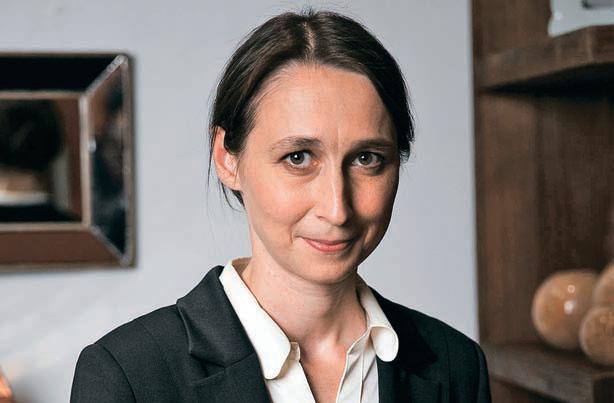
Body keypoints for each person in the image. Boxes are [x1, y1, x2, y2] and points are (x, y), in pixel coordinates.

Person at [71, 8, 491, 403]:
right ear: (227, 159)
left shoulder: (457, 365)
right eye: (298, 157)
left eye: (367, 159)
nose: (337, 209)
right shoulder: (126, 377)